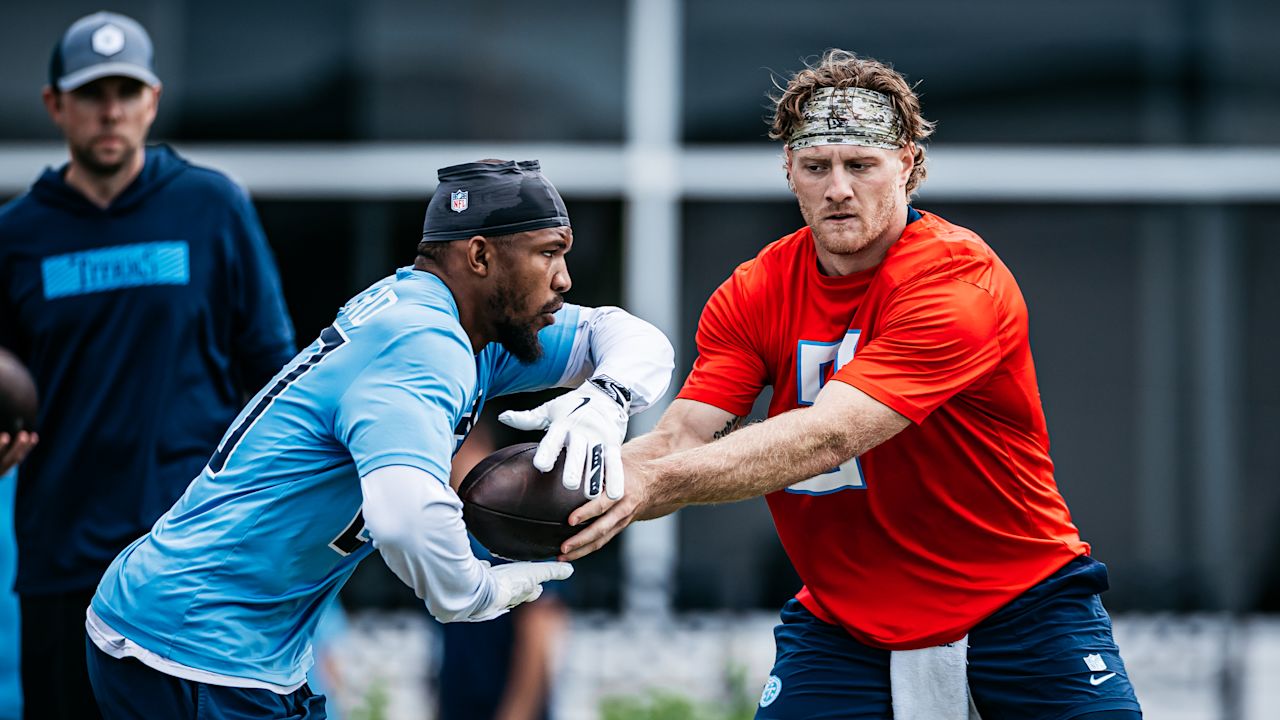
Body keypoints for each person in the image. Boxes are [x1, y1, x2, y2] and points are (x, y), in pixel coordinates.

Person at [562, 50, 1144, 720]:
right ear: (790, 173)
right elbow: (676, 437)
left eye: (860, 165)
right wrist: (559, 488)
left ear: (908, 166)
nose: (838, 187)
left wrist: (649, 485)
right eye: (817, 167)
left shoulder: (958, 281)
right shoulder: (754, 291)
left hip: (1019, 604)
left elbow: (828, 434)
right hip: (847, 624)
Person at [85, 159, 675, 719]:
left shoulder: (466, 328)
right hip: (191, 644)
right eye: (548, 254)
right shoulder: (422, 342)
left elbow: (626, 335)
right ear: (479, 256)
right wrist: (476, 593)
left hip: (239, 645)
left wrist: (608, 400)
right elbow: (405, 519)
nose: (565, 278)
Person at [0, 11, 297, 719]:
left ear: (152, 101)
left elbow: (277, 377)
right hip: (62, 560)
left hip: (187, 556)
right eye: (92, 92)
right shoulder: (16, 235)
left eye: (126, 92)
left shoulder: (211, 206)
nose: (111, 110)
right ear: (55, 105)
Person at [436, 418, 569, 720]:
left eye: (454, 454)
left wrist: (517, 713)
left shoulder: (518, 535)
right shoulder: (449, 544)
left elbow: (539, 635)